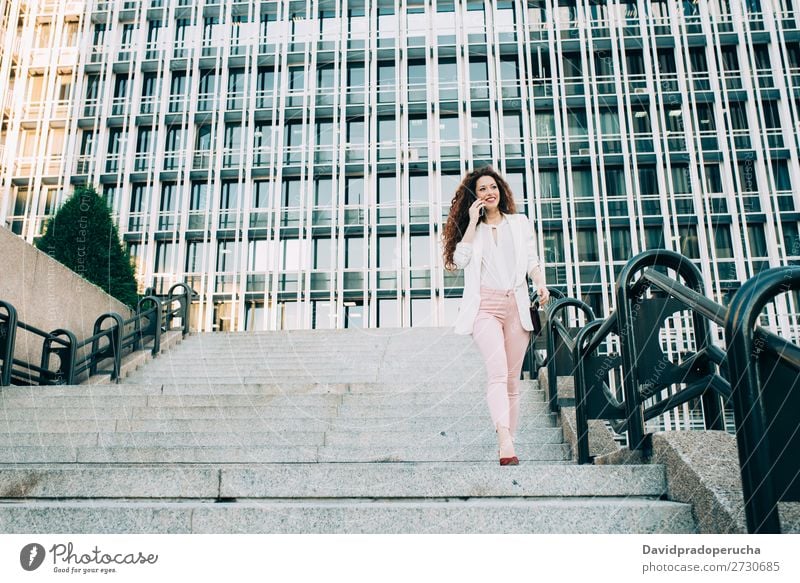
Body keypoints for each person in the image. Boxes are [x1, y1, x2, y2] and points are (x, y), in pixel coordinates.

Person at [442, 166, 549, 466]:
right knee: (498, 374)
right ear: (474, 198)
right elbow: (459, 261)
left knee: (512, 382)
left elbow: (531, 260)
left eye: (493, 187)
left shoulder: (519, 223)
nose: (489, 192)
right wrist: (473, 222)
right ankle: (504, 439)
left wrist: (540, 284)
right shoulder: (472, 230)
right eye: (482, 190)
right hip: (484, 309)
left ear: (500, 190)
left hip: (515, 306)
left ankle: (509, 443)